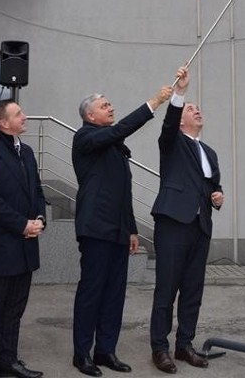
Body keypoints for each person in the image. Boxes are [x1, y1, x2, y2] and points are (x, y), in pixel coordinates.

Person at [71, 85, 172, 377]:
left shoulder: (114, 147)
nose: (111, 108)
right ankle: (82, 354)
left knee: (114, 294)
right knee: (91, 292)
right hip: (96, 228)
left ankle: (105, 351)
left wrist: (131, 229)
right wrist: (154, 102)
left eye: (110, 104)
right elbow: (120, 130)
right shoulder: (86, 137)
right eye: (104, 106)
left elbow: (122, 192)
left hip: (117, 230)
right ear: (90, 115)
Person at [149, 67, 223, 374]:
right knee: (167, 287)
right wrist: (179, 93)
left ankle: (184, 344)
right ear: (181, 121)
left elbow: (212, 185)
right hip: (173, 222)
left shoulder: (210, 152)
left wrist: (217, 196)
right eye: (191, 109)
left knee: (193, 288)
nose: (197, 110)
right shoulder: (172, 142)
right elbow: (167, 123)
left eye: (197, 107)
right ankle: (160, 348)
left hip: (200, 226)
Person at [0, 99, 47, 378]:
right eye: (18, 114)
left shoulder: (27, 152)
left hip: (26, 246)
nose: (25, 116)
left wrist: (39, 219)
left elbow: (37, 192)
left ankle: (8, 360)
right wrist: (22, 225)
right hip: (1, 246)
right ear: (3, 123)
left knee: (15, 309)